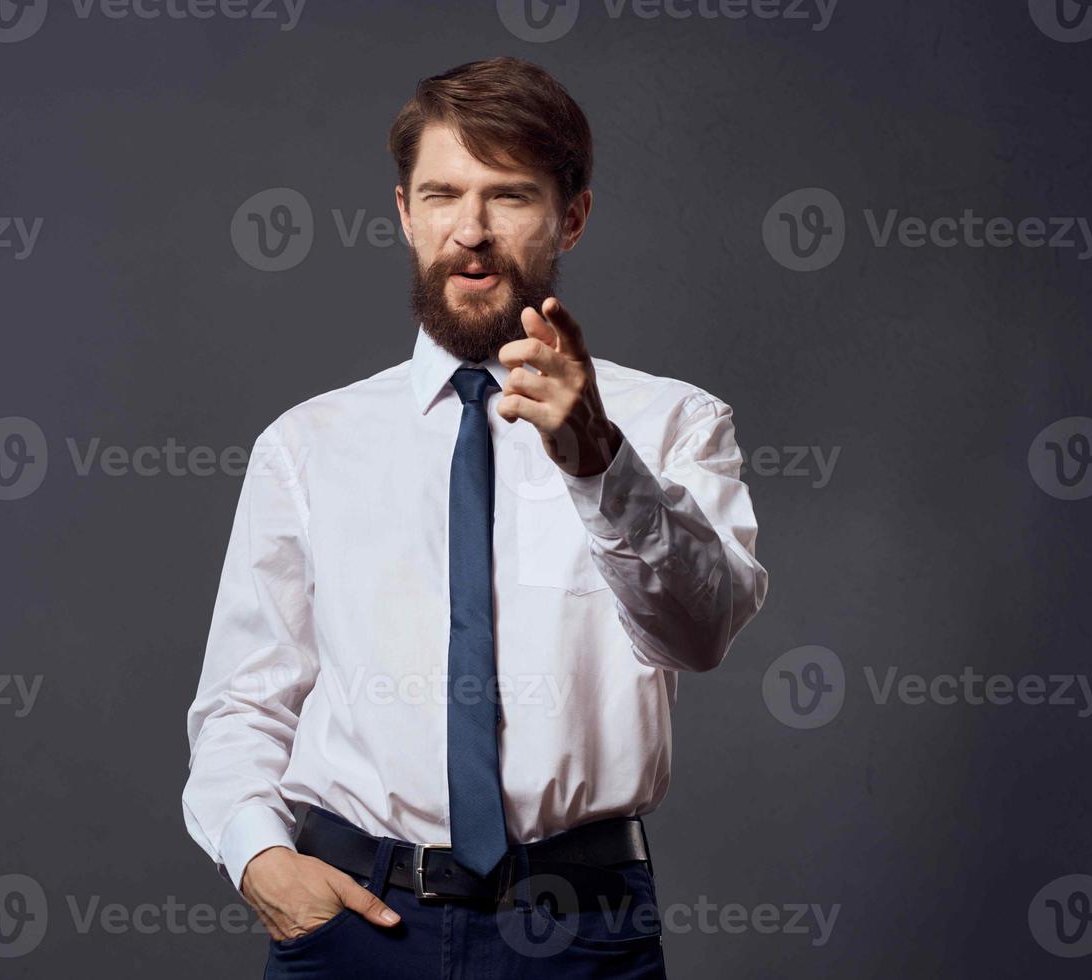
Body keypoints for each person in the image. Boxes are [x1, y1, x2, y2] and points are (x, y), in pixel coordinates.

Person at [184, 56, 768, 978]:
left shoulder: (669, 423)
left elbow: (699, 633)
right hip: (353, 926)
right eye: (443, 194)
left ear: (570, 216)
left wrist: (597, 462)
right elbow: (242, 702)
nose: (470, 231)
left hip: (579, 929)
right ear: (404, 213)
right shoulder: (308, 444)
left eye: (509, 197)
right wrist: (260, 857)